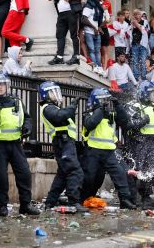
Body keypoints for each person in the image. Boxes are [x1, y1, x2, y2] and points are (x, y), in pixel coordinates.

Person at [0, 72, 40, 216]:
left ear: (7, 85)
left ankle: (25, 205)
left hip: (16, 144)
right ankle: (2, 207)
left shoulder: (16, 101)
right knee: (1, 178)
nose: (0, 88)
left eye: (2, 84)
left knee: (24, 174)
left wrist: (27, 127)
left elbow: (27, 118)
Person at [81, 88, 136, 209]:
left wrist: (118, 106)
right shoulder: (89, 113)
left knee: (120, 174)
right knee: (91, 178)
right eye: (102, 100)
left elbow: (125, 121)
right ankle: (83, 199)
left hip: (109, 151)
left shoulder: (110, 114)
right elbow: (91, 123)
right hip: (93, 150)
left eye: (106, 100)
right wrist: (101, 109)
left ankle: (125, 200)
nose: (105, 103)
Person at [39, 81, 88, 212]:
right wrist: (72, 107)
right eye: (52, 92)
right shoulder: (47, 108)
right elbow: (59, 117)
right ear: (45, 95)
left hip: (65, 142)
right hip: (62, 142)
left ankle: (50, 202)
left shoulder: (52, 107)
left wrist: (71, 108)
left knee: (62, 174)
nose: (55, 95)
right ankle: (74, 202)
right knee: (74, 171)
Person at [48, 0, 82, 65]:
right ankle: (59, 57)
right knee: (60, 35)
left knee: (74, 35)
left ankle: (76, 57)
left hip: (72, 12)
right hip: (61, 13)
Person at [82, 0, 104, 73]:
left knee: (97, 51)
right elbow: (84, 19)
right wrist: (93, 27)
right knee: (91, 50)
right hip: (89, 32)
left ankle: (99, 67)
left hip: (96, 32)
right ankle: (95, 66)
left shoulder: (98, 7)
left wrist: (99, 27)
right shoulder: (89, 6)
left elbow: (100, 20)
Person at [131, 9, 149, 81]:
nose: (137, 16)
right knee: (135, 61)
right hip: (134, 44)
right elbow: (128, 31)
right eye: (135, 14)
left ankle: (144, 76)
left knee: (143, 61)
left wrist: (137, 24)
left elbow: (145, 31)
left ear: (140, 15)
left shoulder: (145, 22)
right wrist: (133, 25)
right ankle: (136, 76)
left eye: (138, 14)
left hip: (143, 44)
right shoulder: (132, 22)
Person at [100, 0, 112, 70]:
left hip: (104, 28)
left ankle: (104, 68)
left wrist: (102, 24)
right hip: (95, 28)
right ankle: (100, 66)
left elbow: (109, 19)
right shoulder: (93, 1)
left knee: (104, 50)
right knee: (98, 49)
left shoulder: (107, 2)